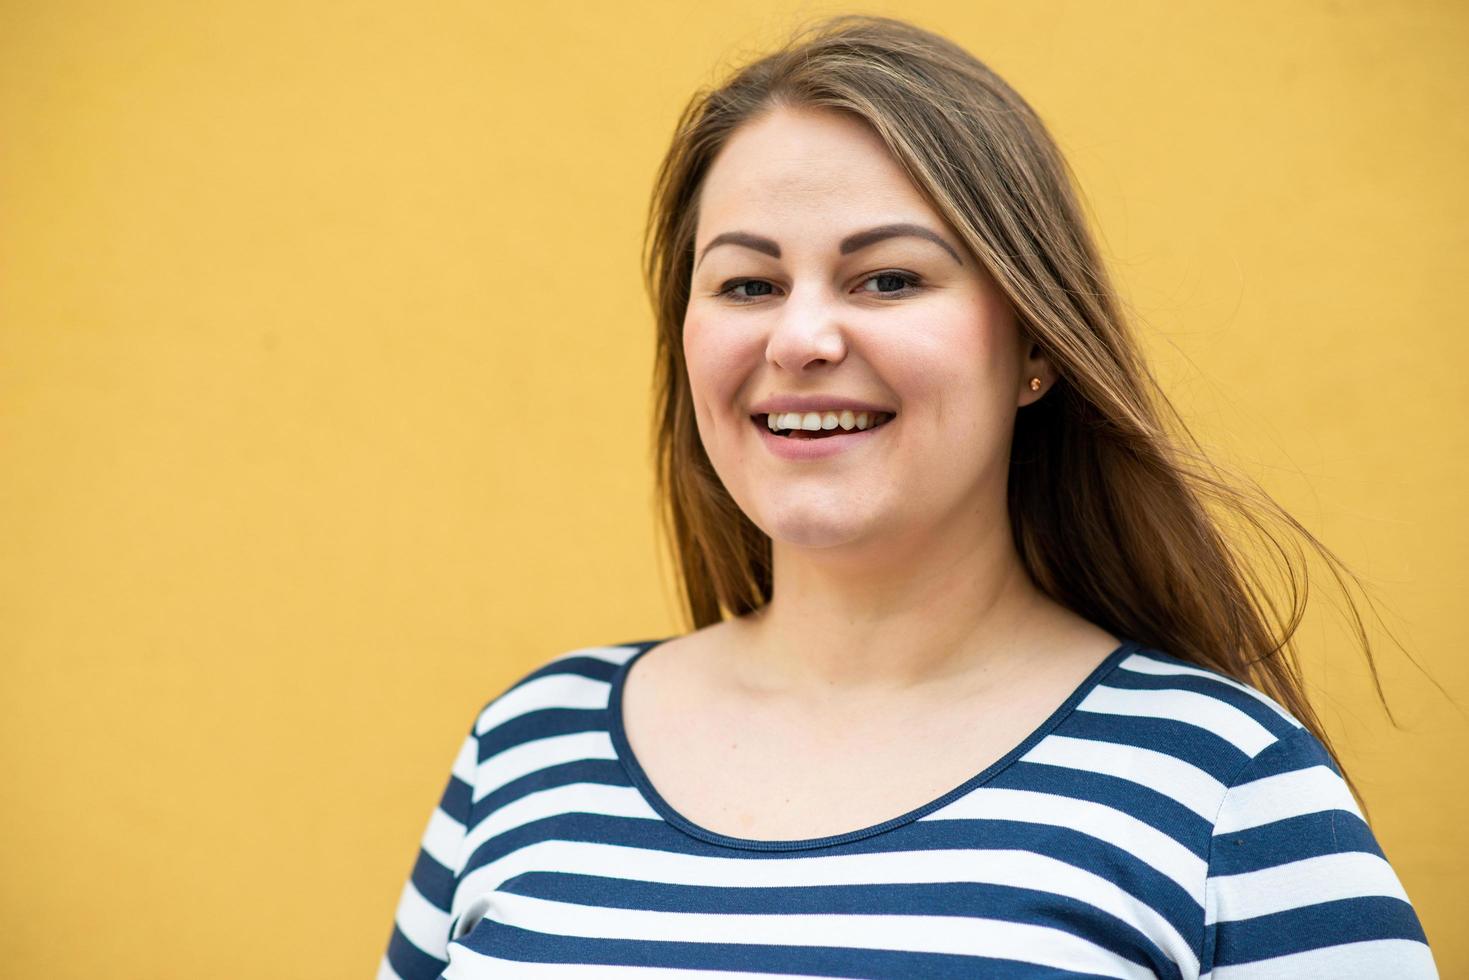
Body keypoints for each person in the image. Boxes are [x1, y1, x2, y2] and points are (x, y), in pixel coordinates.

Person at [378, 14, 1439, 979]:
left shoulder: (1223, 786)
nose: (798, 338)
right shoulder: (528, 748)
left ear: (1033, 340)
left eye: (886, 277)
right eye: (746, 283)